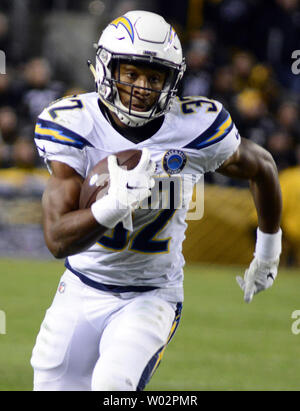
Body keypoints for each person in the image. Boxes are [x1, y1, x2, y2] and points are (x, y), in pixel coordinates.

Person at [30, 10, 282, 391]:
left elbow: (262, 166)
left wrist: (267, 253)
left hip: (151, 295)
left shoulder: (195, 128)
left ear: (173, 80)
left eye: (154, 76)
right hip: (81, 286)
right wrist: (115, 202)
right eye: (131, 73)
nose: (142, 86)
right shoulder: (74, 124)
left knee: (113, 385)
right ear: (106, 69)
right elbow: (57, 239)